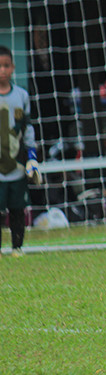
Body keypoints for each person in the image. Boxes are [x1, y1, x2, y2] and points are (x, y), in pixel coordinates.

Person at [0, 46, 40, 257]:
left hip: (16, 165)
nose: (2, 70)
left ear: (13, 68)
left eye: (6, 66)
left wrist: (32, 157)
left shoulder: (22, 96)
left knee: (16, 209)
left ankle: (17, 247)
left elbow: (28, 128)